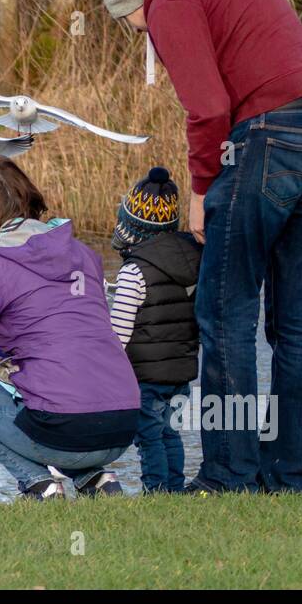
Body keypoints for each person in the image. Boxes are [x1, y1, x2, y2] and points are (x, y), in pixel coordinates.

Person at [102, 0, 302, 494]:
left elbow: (208, 108)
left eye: (129, 24)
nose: (141, 35)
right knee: (294, 320)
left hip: (267, 136)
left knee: (223, 309)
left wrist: (200, 190)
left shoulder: (169, 0)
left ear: (131, 0)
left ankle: (227, 477)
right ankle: (285, 479)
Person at [0, 159, 139, 500]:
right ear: (31, 201)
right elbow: (70, 329)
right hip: (123, 425)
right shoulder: (85, 255)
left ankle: (39, 484)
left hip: (68, 431)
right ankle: (97, 479)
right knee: (63, 399)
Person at [109, 167, 202, 493]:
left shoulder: (134, 271)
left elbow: (117, 335)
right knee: (170, 432)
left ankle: (156, 492)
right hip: (181, 370)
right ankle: (173, 490)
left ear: (132, 225)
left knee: (148, 437)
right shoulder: (194, 260)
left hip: (145, 376)